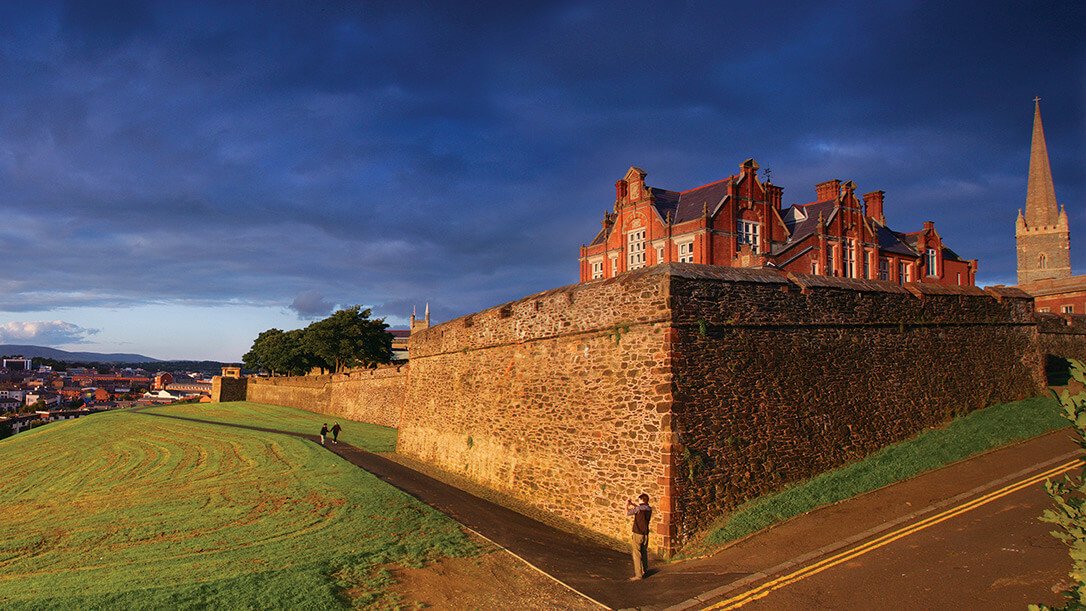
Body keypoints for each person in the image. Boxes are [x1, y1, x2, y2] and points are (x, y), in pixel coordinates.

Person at [626, 493, 652, 580]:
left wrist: (626, 505)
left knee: (636, 553)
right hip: (645, 534)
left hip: (638, 533)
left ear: (641, 500)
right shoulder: (649, 508)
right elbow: (641, 508)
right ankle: (645, 569)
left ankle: (638, 575)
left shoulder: (638, 509)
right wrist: (633, 504)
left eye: (639, 500)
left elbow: (627, 513)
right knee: (644, 551)